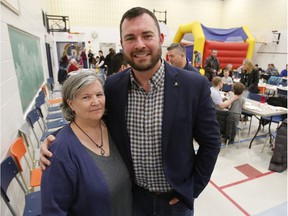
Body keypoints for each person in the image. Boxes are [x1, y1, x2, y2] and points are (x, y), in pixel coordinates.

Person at [40, 7, 221, 216]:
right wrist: (57, 140)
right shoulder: (113, 86)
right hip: (132, 199)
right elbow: (92, 117)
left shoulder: (193, 85)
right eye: (130, 38)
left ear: (161, 38)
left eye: (147, 35)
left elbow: (211, 142)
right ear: (122, 43)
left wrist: (193, 188)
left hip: (176, 202)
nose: (140, 44)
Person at [41, 71, 132, 215]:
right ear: (71, 104)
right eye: (86, 97)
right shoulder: (60, 151)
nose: (95, 102)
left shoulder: (114, 127)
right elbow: (53, 210)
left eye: (99, 95)